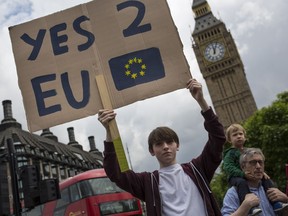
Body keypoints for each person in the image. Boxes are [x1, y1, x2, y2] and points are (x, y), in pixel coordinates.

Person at [97, 78, 226, 216]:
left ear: (177, 146)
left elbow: (218, 138)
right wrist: (109, 131)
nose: (165, 147)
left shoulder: (198, 169)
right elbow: (115, 172)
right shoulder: (148, 183)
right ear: (151, 151)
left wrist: (201, 101)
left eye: (169, 142)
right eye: (159, 144)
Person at [223, 124, 288, 215]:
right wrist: (245, 207)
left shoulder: (247, 150)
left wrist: (285, 199)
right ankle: (251, 209)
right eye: (253, 162)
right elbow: (228, 167)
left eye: (260, 162)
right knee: (242, 183)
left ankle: (276, 204)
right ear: (243, 165)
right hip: (236, 177)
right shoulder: (233, 193)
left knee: (267, 180)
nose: (258, 166)